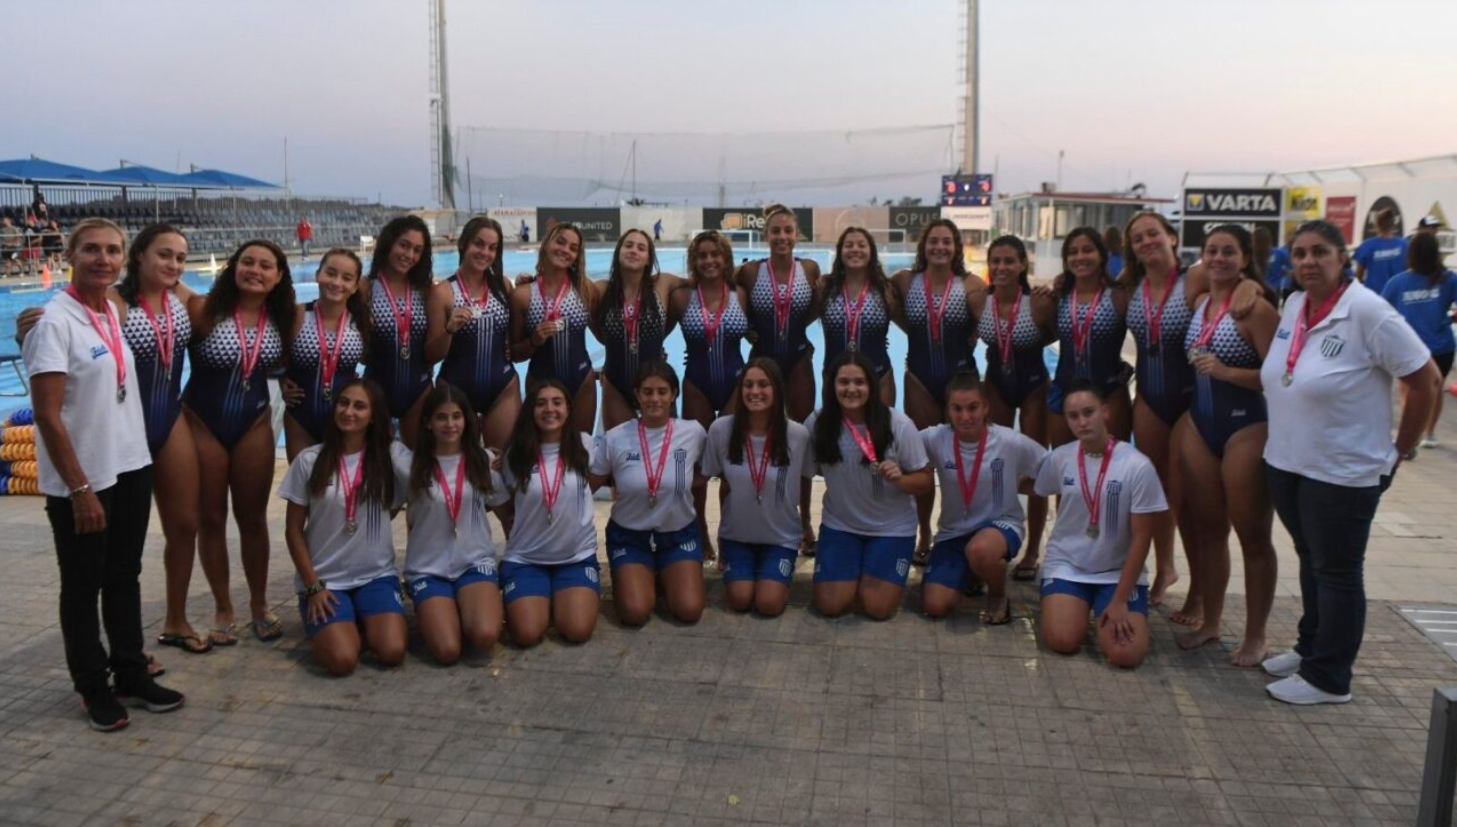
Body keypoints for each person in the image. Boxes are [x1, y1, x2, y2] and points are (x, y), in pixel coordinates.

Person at [1260, 220, 1440, 704]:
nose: (1308, 262)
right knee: (1311, 559)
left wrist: (1400, 449)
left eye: (1320, 252)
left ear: (1343, 258)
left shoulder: (1367, 311)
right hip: (1290, 461)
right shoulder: (1296, 304)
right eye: (1300, 253)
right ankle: (1310, 648)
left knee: (1337, 571)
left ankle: (1329, 677)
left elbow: (1426, 380)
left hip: (1341, 470)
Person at [22, 217, 183, 730]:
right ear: (70, 254)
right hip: (85, 479)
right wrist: (79, 489)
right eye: (91, 249)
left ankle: (130, 671)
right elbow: (47, 416)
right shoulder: (55, 323)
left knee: (123, 577)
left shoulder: (110, 310)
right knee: (82, 585)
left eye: (112, 250)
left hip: (130, 465)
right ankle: (92, 686)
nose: (103, 259)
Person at [1173, 225, 1280, 666]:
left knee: (1253, 535)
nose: (1218, 259)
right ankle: (1211, 622)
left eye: (1229, 252)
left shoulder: (1256, 310)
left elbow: (1280, 376)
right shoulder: (1200, 302)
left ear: (1245, 258)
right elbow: (1188, 275)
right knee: (1208, 530)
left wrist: (1228, 372)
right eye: (1212, 251)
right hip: (1202, 425)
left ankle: (1256, 635)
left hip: (1245, 426)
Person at [183, 239, 296, 645]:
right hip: (202, 423)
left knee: (253, 519)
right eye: (248, 262)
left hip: (253, 423)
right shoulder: (203, 310)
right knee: (211, 518)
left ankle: (260, 604)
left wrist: (290, 383)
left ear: (278, 277)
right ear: (233, 267)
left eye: (266, 266)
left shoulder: (284, 319)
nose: (255, 270)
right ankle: (223, 606)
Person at [1035, 380, 1167, 669]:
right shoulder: (1061, 458)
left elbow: (1142, 538)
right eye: (1073, 416)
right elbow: (1034, 487)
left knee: (1126, 655)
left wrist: (1120, 600)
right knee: (1062, 640)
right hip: (1068, 565)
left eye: (1088, 412)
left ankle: (1102, 609)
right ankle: (1073, 608)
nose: (1082, 422)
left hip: (1117, 572)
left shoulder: (1136, 465)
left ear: (1105, 412)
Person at [280, 379, 407, 676]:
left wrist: (487, 458)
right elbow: (293, 530)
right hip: (326, 582)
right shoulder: (310, 460)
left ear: (373, 416)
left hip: (376, 576)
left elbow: (427, 470)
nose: (349, 411)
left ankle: (357, 618)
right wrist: (313, 586)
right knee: (342, 660)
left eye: (359, 406)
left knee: (392, 651)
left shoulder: (389, 457)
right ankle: (342, 622)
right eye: (343, 403)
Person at [805, 351, 933, 620]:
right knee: (830, 605)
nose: (851, 389)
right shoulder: (818, 423)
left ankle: (867, 568)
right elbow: (803, 472)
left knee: (878, 608)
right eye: (843, 382)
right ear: (831, 385)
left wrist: (901, 479)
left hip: (891, 529)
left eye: (859, 382)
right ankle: (856, 568)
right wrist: (803, 522)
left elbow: (924, 480)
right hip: (841, 526)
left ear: (872, 386)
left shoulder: (898, 424)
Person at [892, 219, 984, 565]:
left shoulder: (971, 285)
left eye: (947, 241)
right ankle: (924, 534)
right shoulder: (905, 281)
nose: (940, 247)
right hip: (919, 379)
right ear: (923, 246)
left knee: (963, 463)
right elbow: (880, 295)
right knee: (922, 463)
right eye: (934, 241)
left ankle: (961, 531)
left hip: (960, 382)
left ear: (956, 247)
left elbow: (993, 319)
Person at [919, 372, 1046, 623]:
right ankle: (974, 573)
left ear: (986, 407)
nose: (965, 416)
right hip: (954, 532)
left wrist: (1015, 485)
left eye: (972, 407)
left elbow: (1050, 471)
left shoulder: (1009, 441)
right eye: (957, 408)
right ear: (947, 410)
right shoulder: (935, 439)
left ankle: (997, 595)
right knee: (935, 605)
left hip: (1000, 526)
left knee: (980, 550)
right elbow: (899, 446)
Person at [396, 384, 508, 664]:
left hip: (474, 563)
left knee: (484, 635)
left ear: (467, 420)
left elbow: (507, 514)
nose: (450, 424)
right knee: (447, 651)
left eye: (456, 416)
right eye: (441, 417)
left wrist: (514, 564)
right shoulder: (409, 466)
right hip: (427, 569)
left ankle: (468, 607)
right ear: (428, 423)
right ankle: (441, 608)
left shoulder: (484, 461)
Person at [590, 362, 708, 626]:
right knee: (635, 613)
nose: (655, 398)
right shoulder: (616, 438)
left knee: (689, 610)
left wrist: (679, 484)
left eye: (662, 391)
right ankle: (645, 576)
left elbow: (708, 470)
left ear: (674, 394)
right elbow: (587, 487)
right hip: (630, 536)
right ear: (637, 394)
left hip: (678, 535)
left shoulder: (693, 432)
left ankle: (665, 575)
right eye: (647, 391)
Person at [970, 235, 1053, 584]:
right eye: (996, 261)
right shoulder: (979, 302)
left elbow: (1058, 335)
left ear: (1022, 264)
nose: (1001, 267)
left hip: (1034, 387)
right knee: (995, 465)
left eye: (1009, 261)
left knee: (1037, 470)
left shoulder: (1039, 303)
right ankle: (995, 539)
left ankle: (1033, 549)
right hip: (996, 386)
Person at [701, 358, 810, 616]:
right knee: (739, 600)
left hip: (781, 539)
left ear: (777, 390)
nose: (755, 391)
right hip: (737, 537)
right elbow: (715, 480)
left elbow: (804, 479)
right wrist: (716, 536)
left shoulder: (797, 435)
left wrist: (805, 524)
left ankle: (773, 575)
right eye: (748, 385)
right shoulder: (721, 430)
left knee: (769, 604)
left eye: (763, 384)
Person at [497, 381, 601, 646]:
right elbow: (506, 502)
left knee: (577, 631)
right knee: (527, 634)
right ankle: (540, 597)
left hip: (576, 557)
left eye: (557, 402)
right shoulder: (515, 454)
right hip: (526, 559)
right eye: (540, 403)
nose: (549, 409)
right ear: (530, 411)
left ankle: (559, 598)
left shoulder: (585, 445)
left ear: (568, 409)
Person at [430, 217, 519, 449]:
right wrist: (449, 330)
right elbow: (431, 355)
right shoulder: (443, 293)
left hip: (502, 388)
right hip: (454, 388)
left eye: (492, 248)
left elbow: (515, 334)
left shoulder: (503, 286)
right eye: (479, 244)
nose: (485, 253)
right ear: (463, 244)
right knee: (456, 463)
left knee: (501, 461)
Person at [1041, 227, 1131, 446]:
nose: (1080, 257)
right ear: (1066, 260)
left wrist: (1131, 366)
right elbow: (1043, 338)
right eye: (1073, 252)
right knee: (1064, 463)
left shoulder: (1119, 296)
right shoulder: (1059, 296)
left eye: (1088, 250)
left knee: (1112, 463)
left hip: (1108, 392)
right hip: (1064, 391)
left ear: (1101, 255)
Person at [735, 204, 820, 422]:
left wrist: (797, 327)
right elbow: (723, 292)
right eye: (775, 231)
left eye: (788, 231)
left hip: (798, 357)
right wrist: (746, 329)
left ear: (797, 235)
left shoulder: (810, 269)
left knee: (803, 426)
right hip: (762, 357)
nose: (782, 237)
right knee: (758, 424)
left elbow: (815, 307)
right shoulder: (750, 271)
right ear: (766, 235)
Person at [512, 222, 598, 436]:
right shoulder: (523, 295)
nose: (565, 250)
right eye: (560, 242)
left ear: (577, 257)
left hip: (582, 382)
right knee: (539, 450)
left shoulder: (586, 290)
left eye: (573, 248)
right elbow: (514, 354)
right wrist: (533, 341)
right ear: (547, 244)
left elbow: (606, 334)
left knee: (582, 448)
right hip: (539, 381)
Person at [283, 248, 368, 459]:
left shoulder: (362, 322)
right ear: (317, 275)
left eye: (346, 278)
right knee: (303, 479)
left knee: (343, 480)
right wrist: (282, 379)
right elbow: (274, 358)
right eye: (330, 273)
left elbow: (373, 364)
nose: (337, 282)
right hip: (300, 418)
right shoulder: (297, 314)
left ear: (355, 286)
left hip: (346, 420)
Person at [594, 228, 683, 431]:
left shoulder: (663, 283)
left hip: (656, 385)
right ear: (618, 252)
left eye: (641, 248)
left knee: (663, 446)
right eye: (628, 245)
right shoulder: (601, 289)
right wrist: (529, 280)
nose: (634, 250)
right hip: (615, 386)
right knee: (620, 446)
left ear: (648, 258)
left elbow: (702, 281)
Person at [364, 215, 436, 449]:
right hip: (375, 390)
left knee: (419, 464)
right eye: (404, 245)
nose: (409, 255)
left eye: (417, 250)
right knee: (376, 464)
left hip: (419, 390)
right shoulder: (365, 288)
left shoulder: (425, 291)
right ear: (389, 243)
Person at [1381, 232, 1456, 447]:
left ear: (1411, 253)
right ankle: (1429, 433)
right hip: (1441, 346)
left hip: (1409, 347)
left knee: (1409, 390)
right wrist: (1449, 317)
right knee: (1436, 388)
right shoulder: (1448, 279)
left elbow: (1381, 313)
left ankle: (1412, 435)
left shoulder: (1398, 283)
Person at [820, 227, 896, 406]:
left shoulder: (886, 290)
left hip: (879, 375)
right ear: (840, 252)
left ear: (871, 252)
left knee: (881, 424)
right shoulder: (825, 288)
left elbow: (912, 328)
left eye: (862, 245)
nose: (855, 249)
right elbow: (801, 321)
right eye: (849, 245)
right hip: (835, 377)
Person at [1353, 207, 1407, 296]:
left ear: (1376, 225)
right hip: (1397, 295)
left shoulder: (1366, 246)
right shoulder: (1404, 245)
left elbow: (1358, 277)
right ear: (1393, 224)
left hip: (1373, 296)